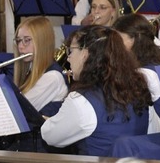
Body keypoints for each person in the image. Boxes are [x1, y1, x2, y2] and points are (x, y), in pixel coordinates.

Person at [41, 25, 153, 156]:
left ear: (85, 54)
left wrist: (52, 121)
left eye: (71, 51)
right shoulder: (138, 87)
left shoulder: (81, 101)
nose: (69, 58)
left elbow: (50, 136)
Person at [0, 16, 68, 115]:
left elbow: (17, 111)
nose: (20, 46)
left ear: (42, 42)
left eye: (27, 40)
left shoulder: (52, 77)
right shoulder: (29, 67)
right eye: (18, 40)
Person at [113, 14, 160, 133]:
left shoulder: (145, 74)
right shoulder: (156, 62)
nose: (114, 46)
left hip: (157, 138)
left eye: (118, 40)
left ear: (134, 39)